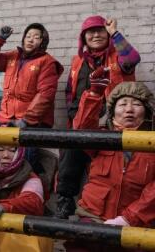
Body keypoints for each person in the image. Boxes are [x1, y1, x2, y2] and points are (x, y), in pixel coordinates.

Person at [56, 16, 140, 219]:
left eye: (100, 31)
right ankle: (65, 200)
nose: (95, 35)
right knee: (71, 146)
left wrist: (115, 33)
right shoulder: (78, 61)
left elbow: (132, 59)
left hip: (115, 122)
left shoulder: (118, 55)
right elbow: (71, 92)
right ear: (83, 38)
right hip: (85, 119)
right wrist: (73, 115)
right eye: (90, 32)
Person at [64, 76, 154, 252]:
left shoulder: (153, 144)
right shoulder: (101, 138)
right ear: (112, 112)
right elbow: (82, 129)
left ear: (147, 112)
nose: (129, 109)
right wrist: (93, 93)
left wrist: (129, 219)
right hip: (91, 218)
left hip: (135, 224)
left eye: (136, 104)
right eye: (123, 104)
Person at [0, 23, 63, 195]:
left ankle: (29, 198)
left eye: (36, 36)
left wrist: (26, 121)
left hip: (30, 124)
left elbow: (45, 94)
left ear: (43, 41)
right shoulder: (13, 57)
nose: (31, 39)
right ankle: (2, 199)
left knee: (24, 163)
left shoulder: (47, 62)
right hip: (6, 119)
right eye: (28, 35)